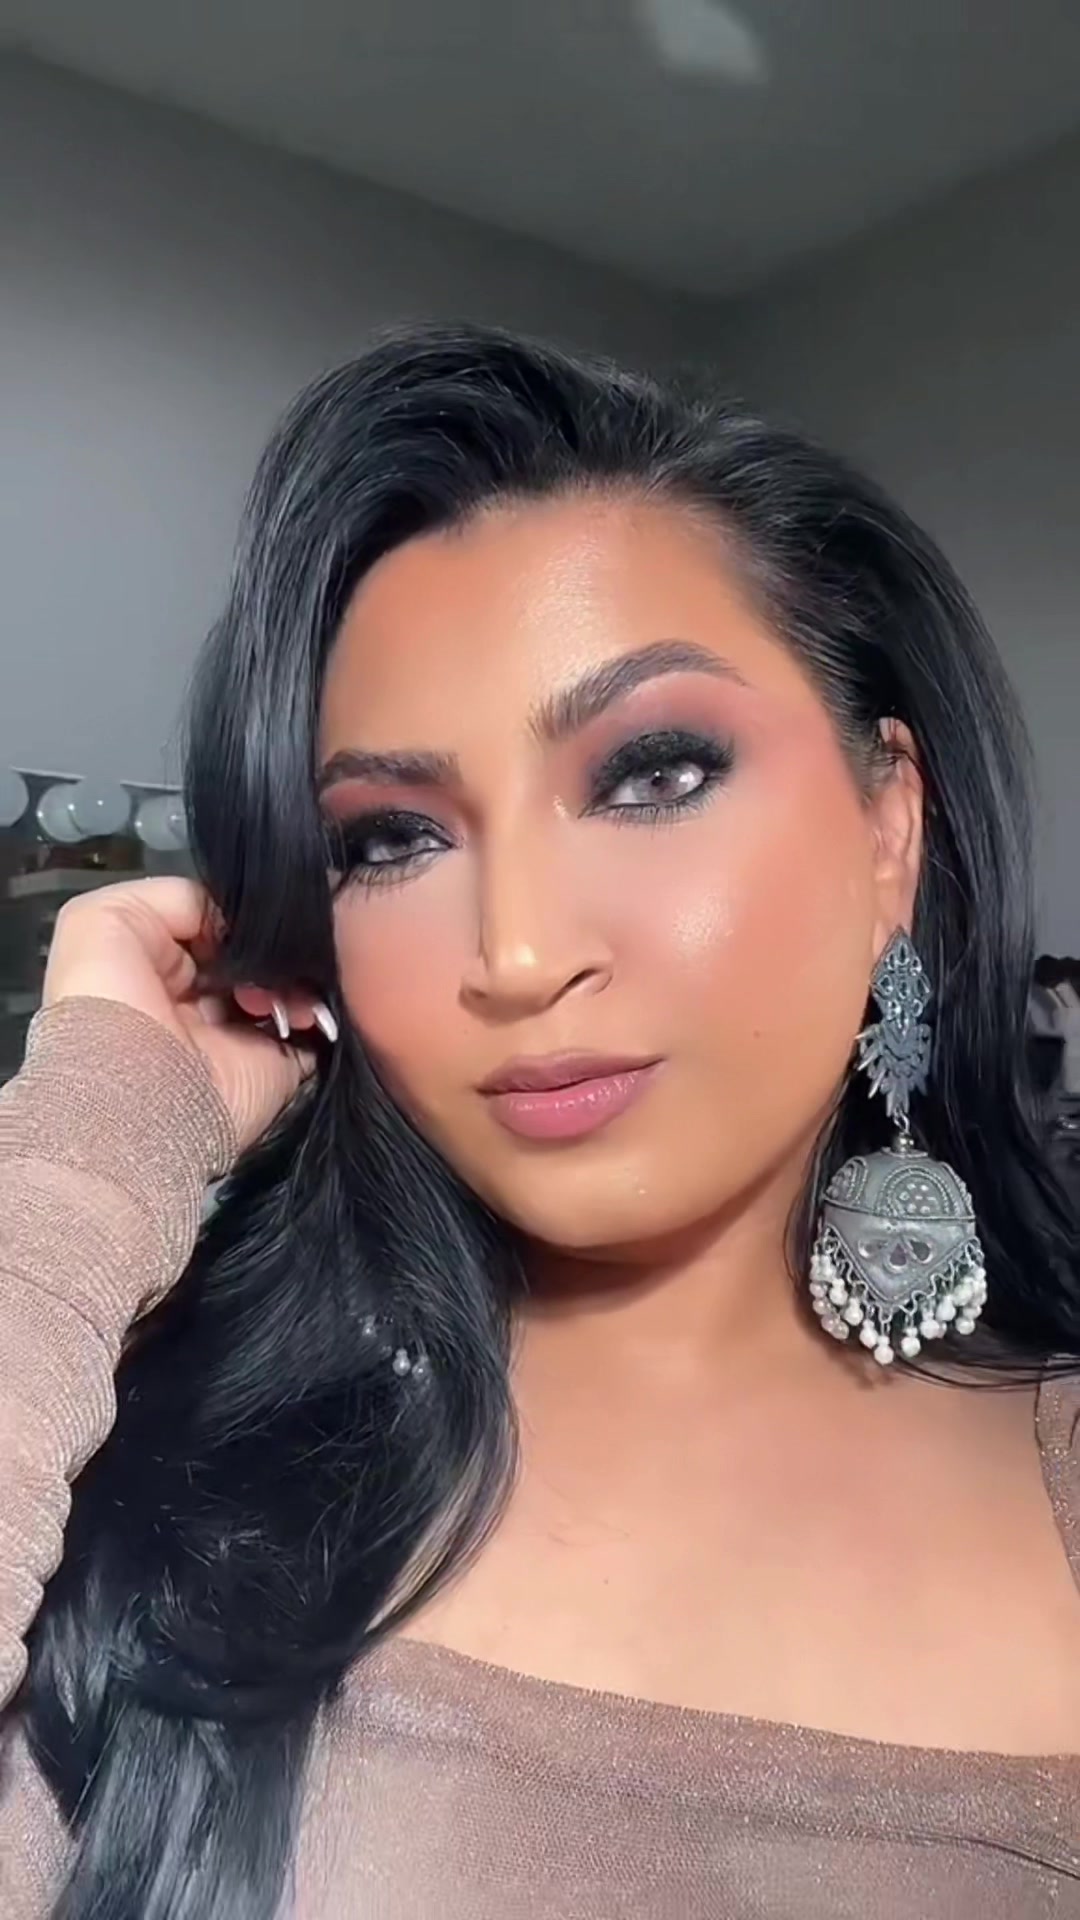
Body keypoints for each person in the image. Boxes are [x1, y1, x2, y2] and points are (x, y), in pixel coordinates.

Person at [0, 323, 1077, 1920]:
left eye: (652, 775)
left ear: (887, 832)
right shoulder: (164, 1440)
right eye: (392, 839)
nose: (513, 955)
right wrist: (98, 1133)